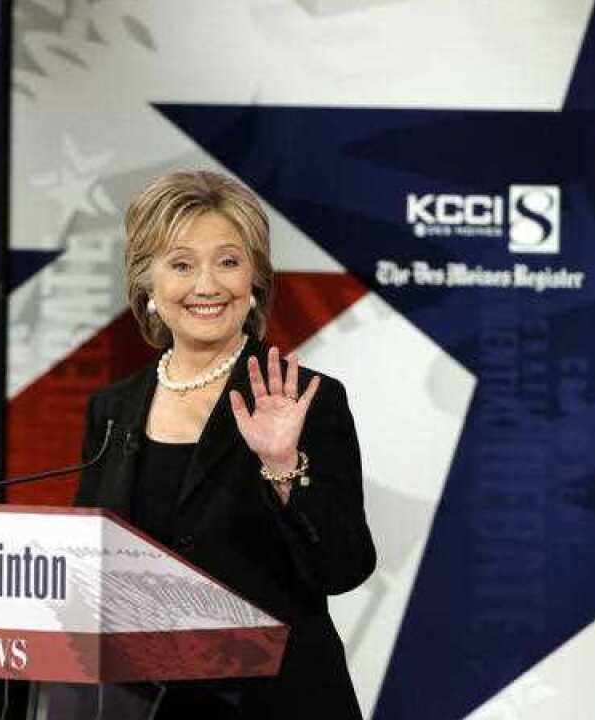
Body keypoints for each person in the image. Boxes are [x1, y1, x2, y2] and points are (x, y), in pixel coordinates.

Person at [74, 170, 376, 718]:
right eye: (182, 264)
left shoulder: (306, 399)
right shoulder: (112, 411)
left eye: (229, 261)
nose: (207, 285)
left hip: (280, 702)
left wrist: (282, 464)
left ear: (256, 278)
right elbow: (91, 571)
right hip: (150, 705)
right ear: (147, 283)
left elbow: (344, 566)